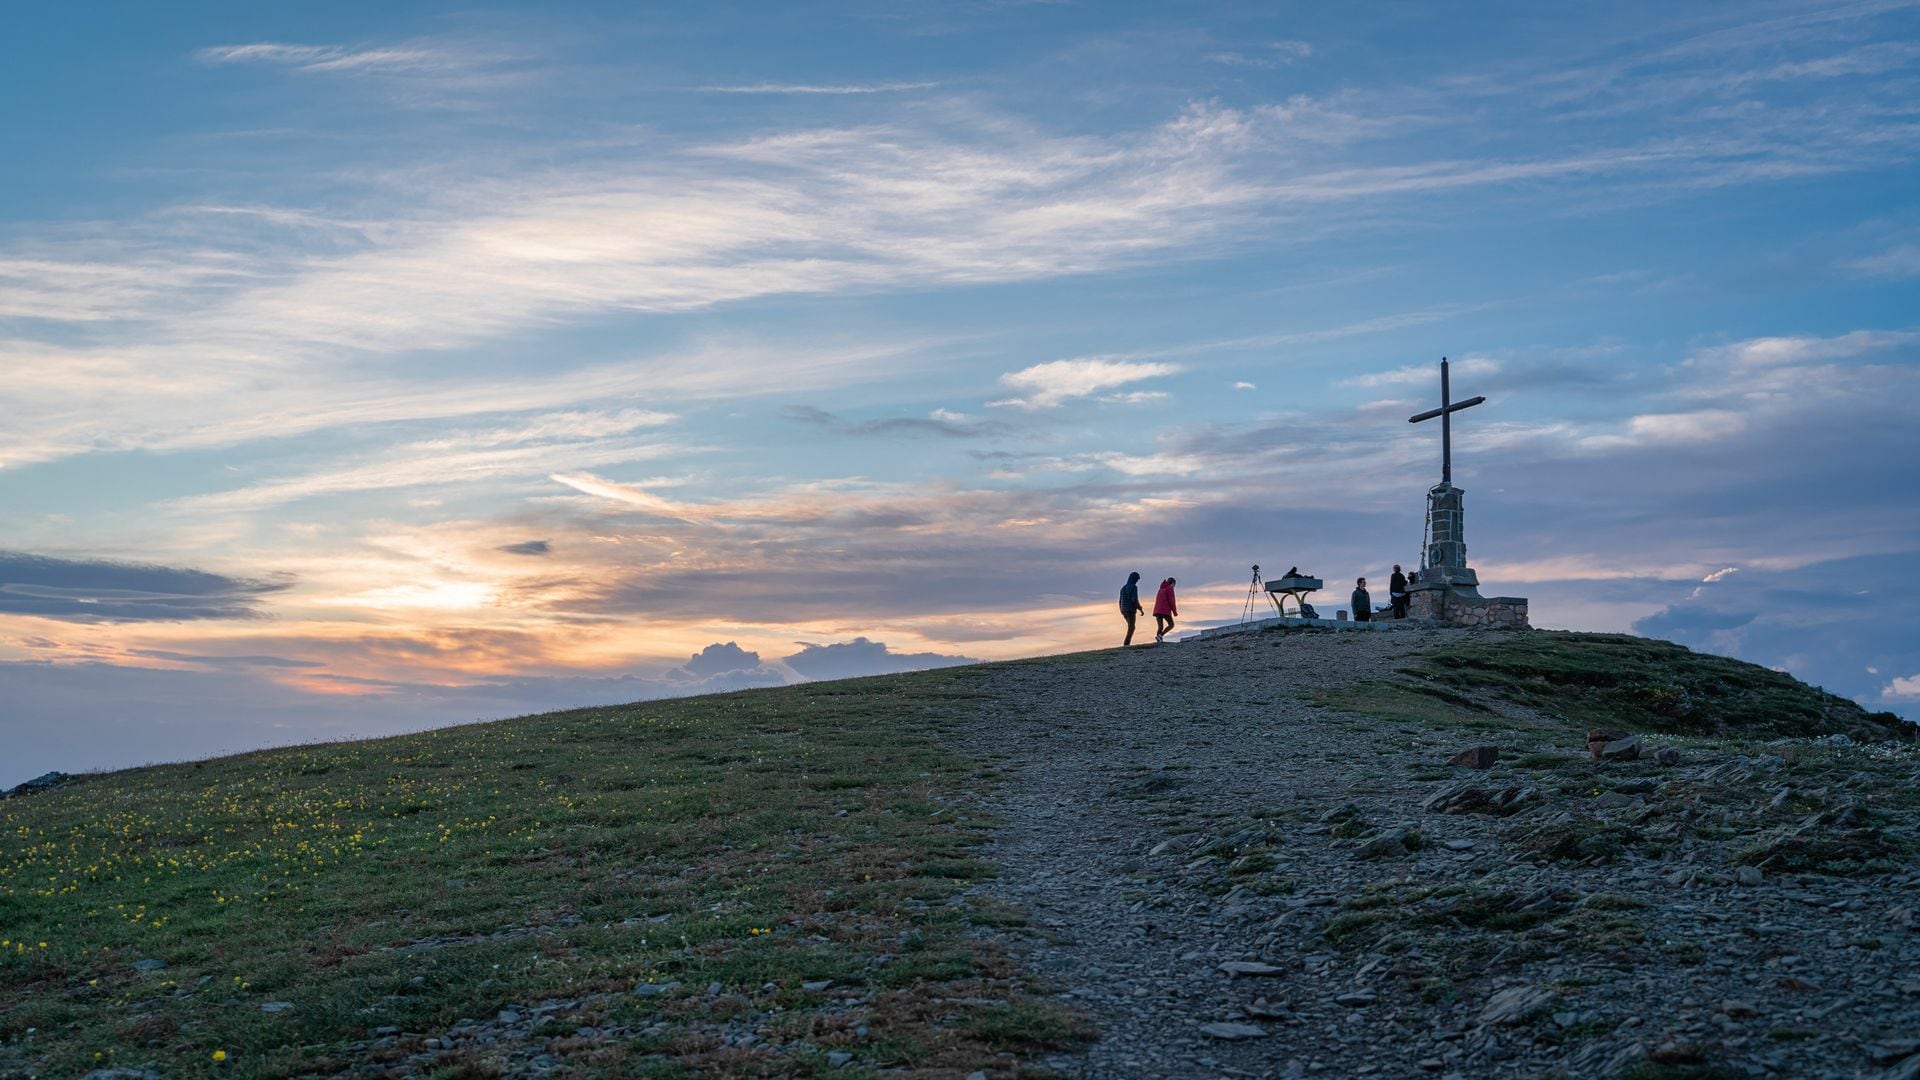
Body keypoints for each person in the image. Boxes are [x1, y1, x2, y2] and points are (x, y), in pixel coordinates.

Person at [1119, 571, 1146, 646]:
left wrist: (1121, 610)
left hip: (1123, 610)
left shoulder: (1123, 588)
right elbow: (1134, 599)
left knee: (1131, 627)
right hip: (1130, 610)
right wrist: (1140, 608)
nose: (1137, 581)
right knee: (1131, 628)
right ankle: (1126, 644)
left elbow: (1120, 600)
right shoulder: (1133, 587)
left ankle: (1127, 644)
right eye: (1137, 579)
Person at [1153, 577, 1178, 642]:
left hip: (1157, 611)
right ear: (1172, 583)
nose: (1174, 586)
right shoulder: (1170, 588)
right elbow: (1172, 601)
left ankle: (1159, 640)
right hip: (1165, 610)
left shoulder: (1161, 589)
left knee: (1160, 627)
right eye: (1174, 585)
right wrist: (1175, 612)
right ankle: (1160, 635)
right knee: (1171, 625)